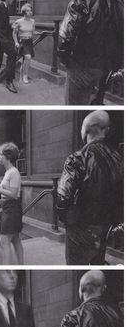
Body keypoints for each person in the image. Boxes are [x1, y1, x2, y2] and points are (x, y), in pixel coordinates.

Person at [57, 110, 123, 265]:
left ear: (85, 130)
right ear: (105, 130)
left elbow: (63, 197)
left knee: (77, 266)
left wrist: (71, 225)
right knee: (97, 263)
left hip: (82, 228)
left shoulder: (77, 158)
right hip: (107, 227)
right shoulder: (120, 157)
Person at [58, 0, 124, 104]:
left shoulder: (80, 1)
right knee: (96, 103)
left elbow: (64, 39)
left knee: (75, 105)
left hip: (81, 69)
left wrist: (66, 62)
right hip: (107, 71)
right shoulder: (121, 3)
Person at [0, 142, 24, 264]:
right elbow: (9, 193)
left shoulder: (13, 172)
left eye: (1, 154)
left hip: (12, 209)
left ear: (8, 156)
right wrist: (2, 198)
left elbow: (13, 194)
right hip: (8, 207)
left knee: (3, 242)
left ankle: (6, 268)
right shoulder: (8, 172)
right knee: (15, 239)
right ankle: (21, 265)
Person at [12, 3, 35, 84]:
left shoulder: (32, 21)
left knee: (26, 60)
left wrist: (35, 34)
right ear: (24, 12)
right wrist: (16, 42)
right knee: (28, 57)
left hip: (29, 42)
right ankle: (25, 75)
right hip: (23, 42)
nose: (30, 12)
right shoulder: (19, 21)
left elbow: (33, 32)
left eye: (31, 10)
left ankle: (21, 77)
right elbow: (14, 33)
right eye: (28, 11)